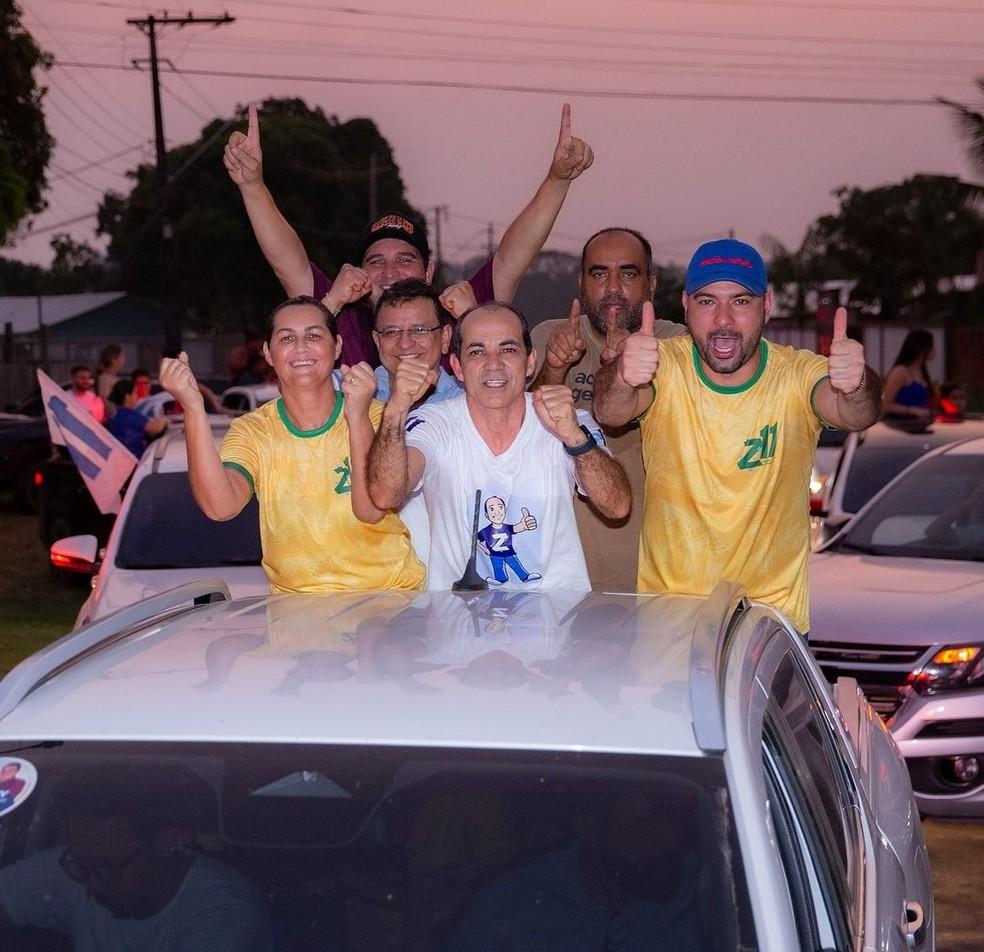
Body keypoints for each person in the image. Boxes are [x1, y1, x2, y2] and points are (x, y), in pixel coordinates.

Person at [593, 238, 881, 633]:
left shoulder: (797, 375)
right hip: (669, 623)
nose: (724, 320)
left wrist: (856, 382)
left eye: (741, 301)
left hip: (770, 626)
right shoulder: (665, 365)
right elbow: (611, 410)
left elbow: (855, 413)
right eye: (708, 301)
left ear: (768, 305)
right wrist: (624, 373)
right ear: (685, 304)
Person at [223, 102, 594, 367]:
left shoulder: (459, 314)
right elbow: (288, 263)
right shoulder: (337, 317)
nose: (390, 272)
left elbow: (514, 256)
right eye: (376, 262)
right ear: (359, 274)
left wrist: (557, 180)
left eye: (405, 260)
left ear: (428, 273)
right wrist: (252, 186)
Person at [159, 295, 425, 593]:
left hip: (389, 603)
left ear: (336, 346)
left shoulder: (380, 417)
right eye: (287, 338)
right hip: (296, 615)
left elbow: (372, 509)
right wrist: (193, 408)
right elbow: (221, 507)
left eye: (313, 335)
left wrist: (357, 415)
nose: (301, 347)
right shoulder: (253, 430)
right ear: (268, 353)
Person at [366, 301, 630, 590]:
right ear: (457, 367)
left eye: (508, 349)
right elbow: (385, 495)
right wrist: (395, 409)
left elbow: (617, 506)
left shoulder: (570, 420)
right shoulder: (434, 423)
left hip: (556, 621)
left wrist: (575, 439)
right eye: (477, 352)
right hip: (457, 623)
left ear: (530, 362)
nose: (493, 364)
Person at [530, 227, 686, 590]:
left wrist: (624, 368)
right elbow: (517, 437)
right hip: (558, 583)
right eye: (599, 274)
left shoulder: (677, 344)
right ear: (581, 283)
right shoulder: (548, 336)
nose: (613, 287)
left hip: (656, 580)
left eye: (628, 274)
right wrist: (554, 366)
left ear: (650, 284)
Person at [0, 765, 273, 952]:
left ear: (166, 843)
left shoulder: (226, 912)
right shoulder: (76, 868)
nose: (91, 889)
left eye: (108, 869)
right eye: (82, 866)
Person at [107, 378, 169, 458]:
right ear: (127, 396)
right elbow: (155, 428)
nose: (136, 396)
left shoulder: (115, 416)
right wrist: (165, 420)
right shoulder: (128, 416)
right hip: (135, 458)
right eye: (134, 393)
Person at [882, 329, 936, 420]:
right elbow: (886, 405)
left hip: (919, 424)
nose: (934, 351)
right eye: (932, 347)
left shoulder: (922, 371)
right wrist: (912, 410)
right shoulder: (900, 371)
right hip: (902, 424)